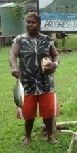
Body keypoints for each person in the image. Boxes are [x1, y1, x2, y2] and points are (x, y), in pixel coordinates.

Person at [9, 11, 60, 145]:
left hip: (46, 83)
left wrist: (55, 64)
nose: (30, 25)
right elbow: (13, 55)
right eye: (28, 22)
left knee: (48, 113)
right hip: (26, 83)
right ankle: (28, 136)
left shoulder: (47, 40)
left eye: (33, 22)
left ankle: (50, 136)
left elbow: (56, 55)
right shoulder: (19, 40)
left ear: (39, 24)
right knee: (28, 112)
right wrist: (14, 67)